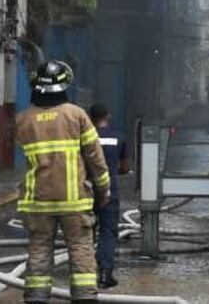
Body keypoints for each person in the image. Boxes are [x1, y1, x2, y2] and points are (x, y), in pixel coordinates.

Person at [16, 60, 111, 304]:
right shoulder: (76, 115)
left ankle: (36, 298)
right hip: (74, 201)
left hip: (37, 201)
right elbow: (95, 158)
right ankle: (84, 299)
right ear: (64, 86)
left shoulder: (23, 119)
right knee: (80, 249)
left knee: (38, 250)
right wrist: (104, 189)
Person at [88, 103, 130, 289]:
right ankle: (105, 275)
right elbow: (125, 168)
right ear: (108, 115)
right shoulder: (119, 138)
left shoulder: (85, 138)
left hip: (86, 191)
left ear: (90, 117)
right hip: (109, 192)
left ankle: (85, 273)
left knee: (85, 233)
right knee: (107, 233)